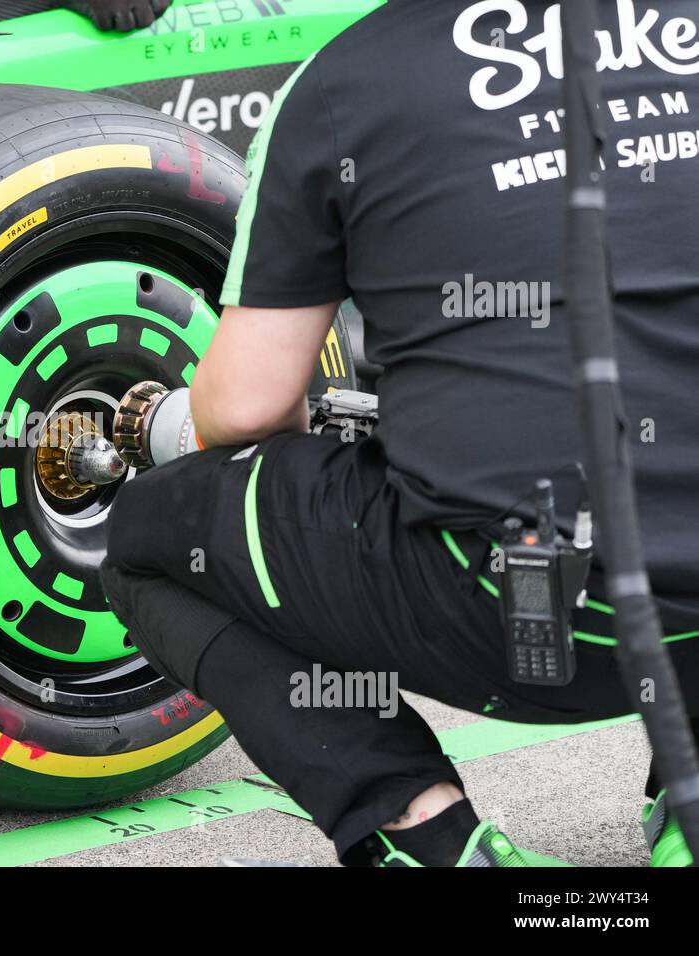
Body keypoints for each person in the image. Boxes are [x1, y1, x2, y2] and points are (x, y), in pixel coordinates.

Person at [101, 0, 699, 867]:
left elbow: (246, 410)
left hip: (525, 618)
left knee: (151, 539)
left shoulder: (346, 81)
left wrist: (169, 424)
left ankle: (425, 836)